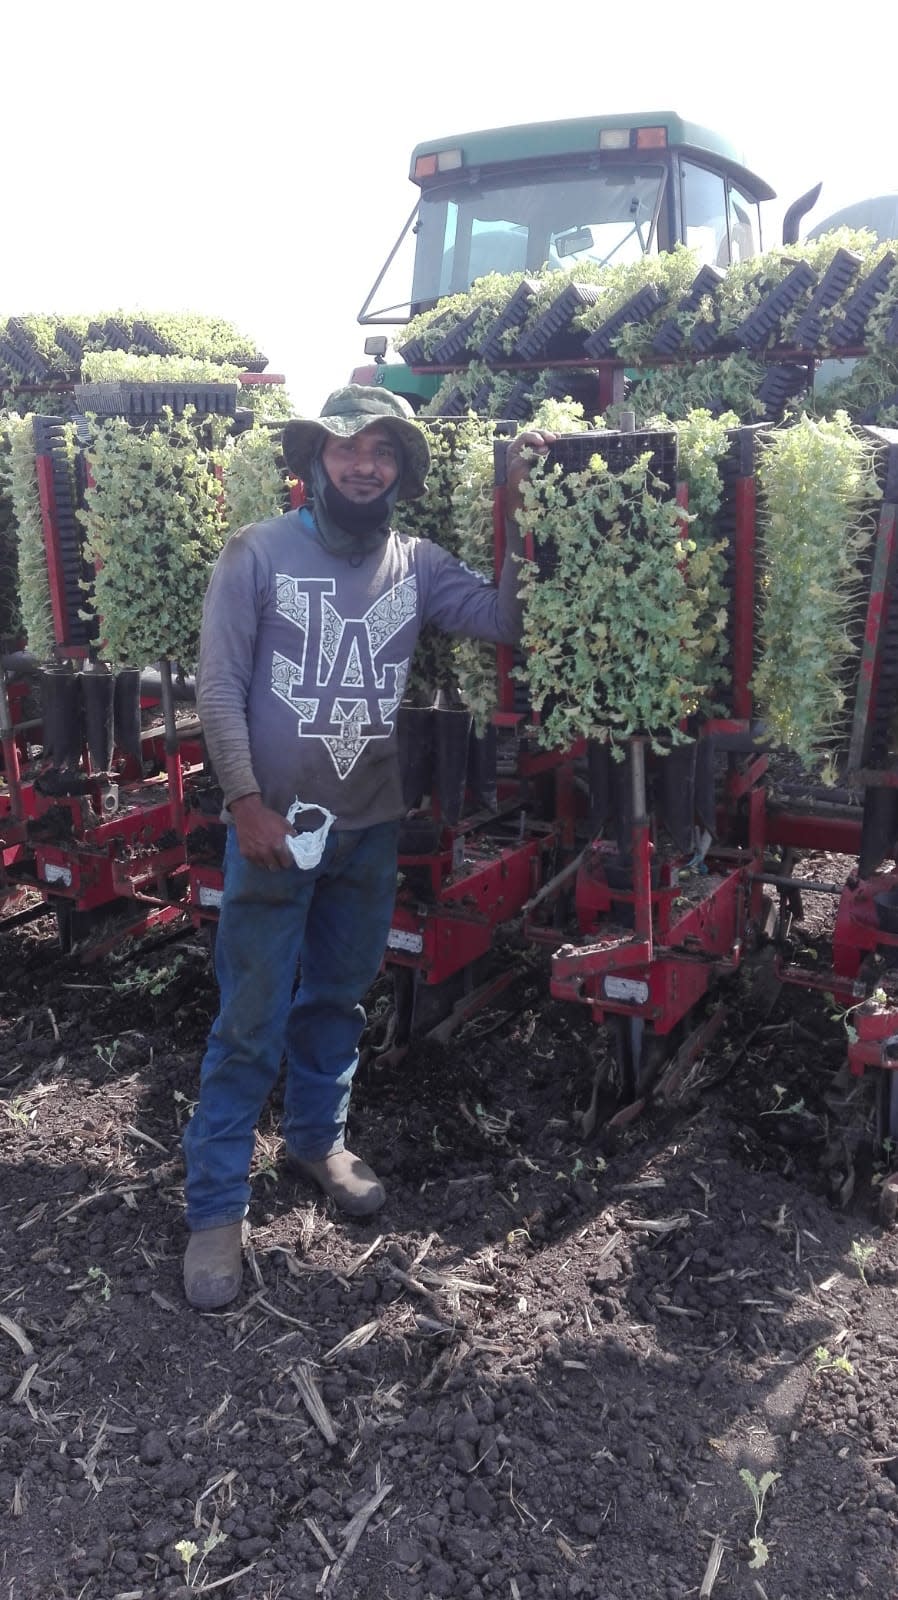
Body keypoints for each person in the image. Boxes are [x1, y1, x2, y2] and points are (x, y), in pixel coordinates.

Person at [182, 384, 552, 1309]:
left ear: (401, 471)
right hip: (273, 832)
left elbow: (505, 618)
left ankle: (318, 1140)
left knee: (340, 1001)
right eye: (348, 447)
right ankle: (217, 1210)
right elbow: (220, 689)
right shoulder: (257, 552)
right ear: (315, 460)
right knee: (248, 1019)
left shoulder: (416, 565)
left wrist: (533, 496)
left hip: (368, 827)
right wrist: (245, 803)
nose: (364, 464)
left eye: (383, 452)